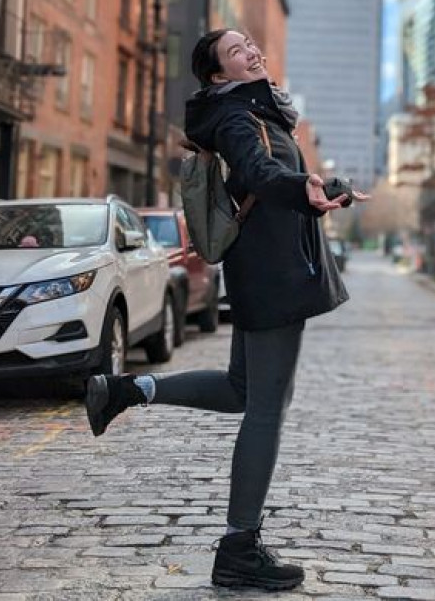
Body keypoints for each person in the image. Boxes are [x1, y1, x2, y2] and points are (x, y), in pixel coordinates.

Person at [85, 29, 368, 592]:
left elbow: (273, 179)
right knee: (266, 409)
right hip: (274, 275)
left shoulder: (258, 111)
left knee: (242, 389)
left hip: (267, 269)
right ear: (219, 75)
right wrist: (305, 188)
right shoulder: (238, 117)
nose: (252, 51)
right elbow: (261, 174)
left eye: (250, 43)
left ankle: (128, 390)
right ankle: (239, 547)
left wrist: (321, 187)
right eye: (237, 51)